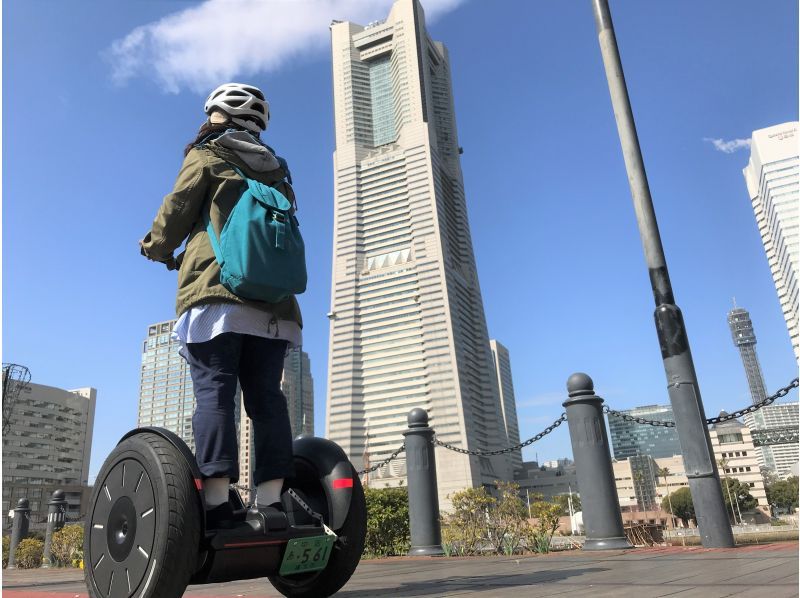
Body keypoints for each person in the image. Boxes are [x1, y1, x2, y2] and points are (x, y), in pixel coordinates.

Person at [139, 83, 302, 528]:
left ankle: (217, 502)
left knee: (215, 392)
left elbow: (173, 214)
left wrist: (153, 247)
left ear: (216, 117)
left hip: (217, 297)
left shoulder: (207, 155)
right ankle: (271, 503)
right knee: (268, 399)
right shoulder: (277, 171)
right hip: (276, 309)